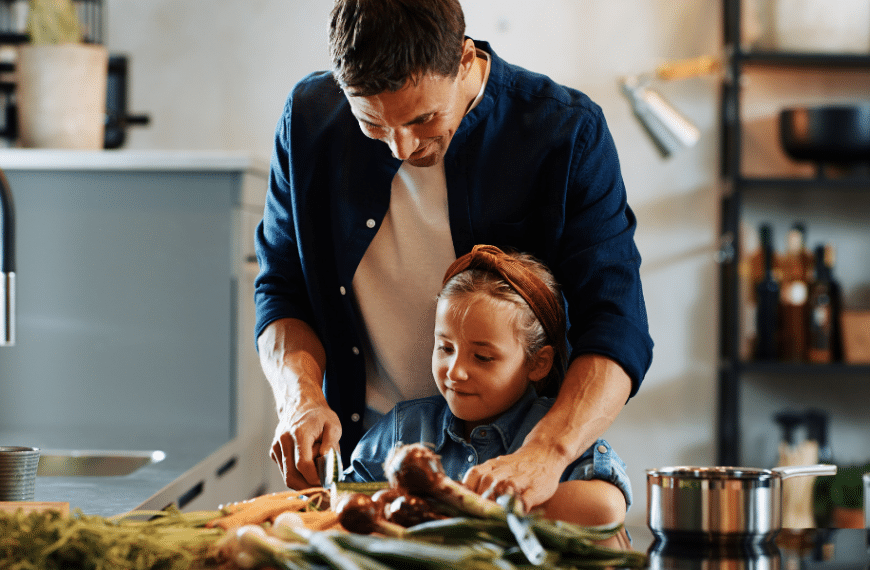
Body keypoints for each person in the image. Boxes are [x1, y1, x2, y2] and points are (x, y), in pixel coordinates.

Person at [254, 0, 654, 511]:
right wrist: (299, 397)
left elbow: (615, 325)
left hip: (516, 471)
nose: (401, 147)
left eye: (423, 119)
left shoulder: (566, 132)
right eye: (373, 125)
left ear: (464, 59)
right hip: (374, 469)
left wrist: (547, 453)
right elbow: (281, 289)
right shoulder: (309, 121)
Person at [344, 245, 632, 528]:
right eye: (445, 348)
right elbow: (342, 500)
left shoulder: (558, 428)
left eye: (482, 357)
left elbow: (606, 509)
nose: (455, 372)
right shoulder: (402, 428)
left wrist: (467, 505)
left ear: (538, 363)